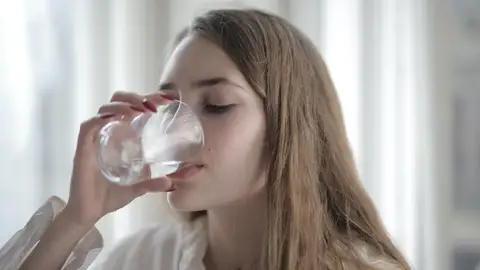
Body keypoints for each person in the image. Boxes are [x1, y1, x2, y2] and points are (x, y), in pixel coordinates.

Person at [2, 8, 410, 270]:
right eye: (170, 105)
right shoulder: (147, 259)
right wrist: (76, 219)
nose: (174, 130)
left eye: (215, 104)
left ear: (288, 129)